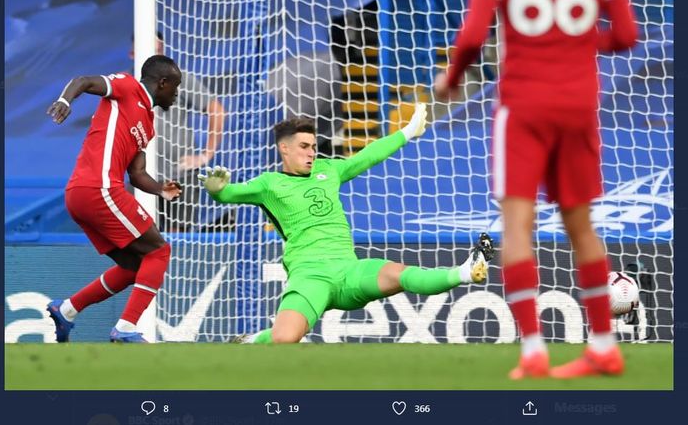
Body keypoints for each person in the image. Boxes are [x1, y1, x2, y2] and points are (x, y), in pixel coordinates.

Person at [434, 0, 637, 378]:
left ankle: (533, 352)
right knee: (582, 227)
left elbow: (472, 36)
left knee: (516, 225)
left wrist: (451, 80)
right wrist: (577, 42)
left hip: (523, 105)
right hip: (579, 104)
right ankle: (603, 346)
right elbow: (626, 34)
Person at [199, 109, 495, 344]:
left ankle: (465, 271)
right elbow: (229, 194)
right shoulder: (269, 184)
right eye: (304, 147)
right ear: (284, 149)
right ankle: (253, 341)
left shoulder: (329, 170)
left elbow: (368, 156)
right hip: (309, 275)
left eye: (314, 146)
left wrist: (406, 132)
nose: (312, 152)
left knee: (399, 273)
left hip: (349, 271)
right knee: (284, 338)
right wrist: (216, 189)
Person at [45, 55, 183, 343]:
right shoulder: (126, 86)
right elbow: (83, 81)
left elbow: (137, 174)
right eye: (176, 86)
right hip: (99, 189)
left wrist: (160, 189)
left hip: (81, 195)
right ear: (163, 83)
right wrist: (65, 101)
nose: (177, 93)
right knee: (159, 252)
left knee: (137, 266)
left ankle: (67, 309)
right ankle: (126, 327)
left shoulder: (148, 123)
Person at [130, 32, 226, 231]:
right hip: (140, 175)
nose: (152, 54)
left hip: (180, 175)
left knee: (178, 239)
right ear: (133, 53)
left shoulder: (179, 80)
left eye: (157, 50)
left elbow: (216, 110)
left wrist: (205, 156)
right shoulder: (127, 84)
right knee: (141, 237)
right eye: (147, 50)